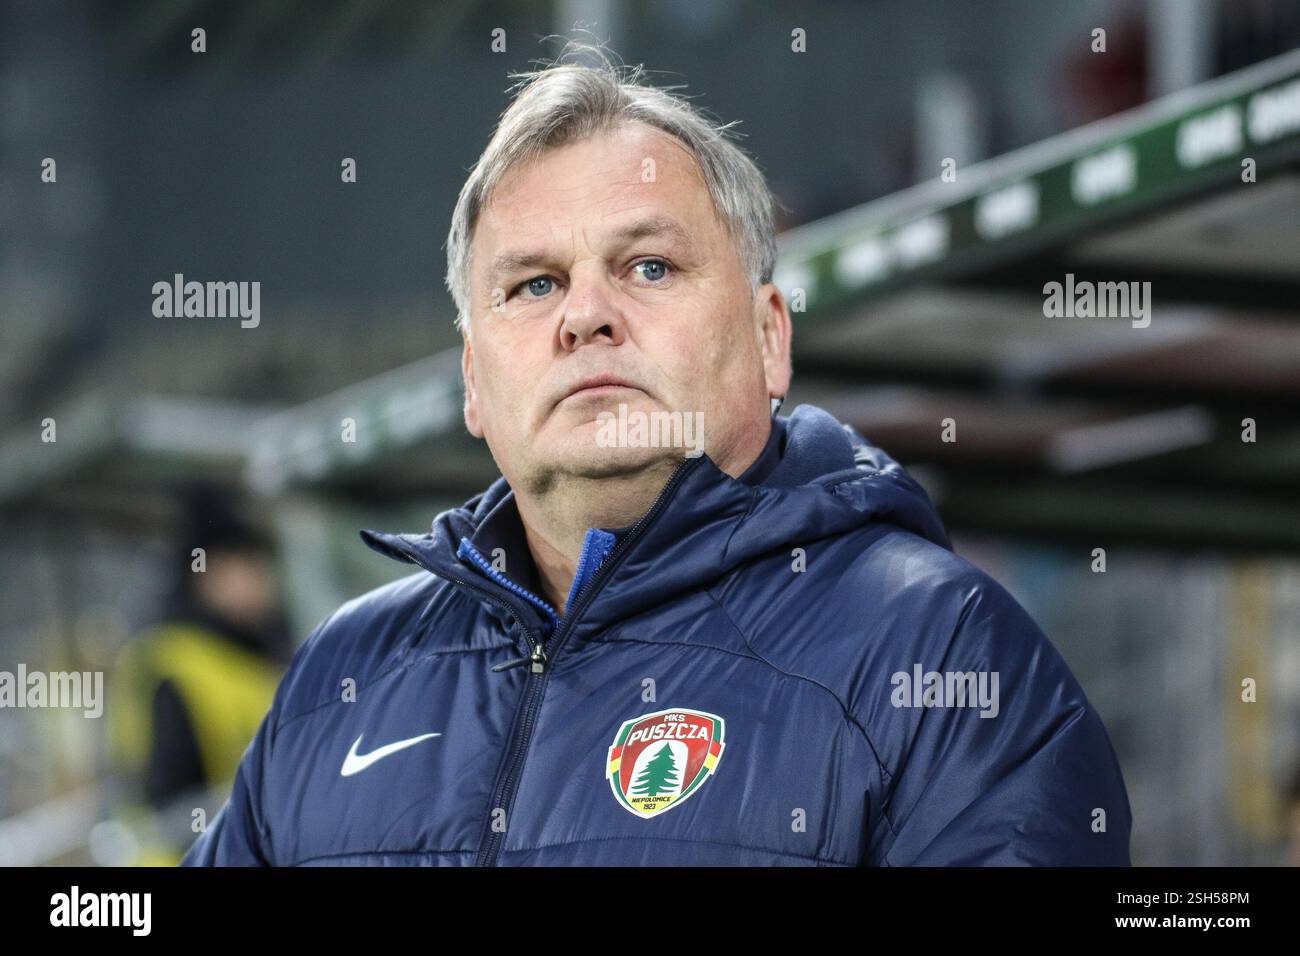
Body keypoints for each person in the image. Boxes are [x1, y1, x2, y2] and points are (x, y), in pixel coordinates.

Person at [183, 43, 1131, 867]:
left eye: (648, 268)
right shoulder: (337, 681)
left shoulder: (943, 654)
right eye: (533, 283)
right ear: (474, 380)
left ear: (769, 338)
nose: (587, 314)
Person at [110, 486, 288, 864]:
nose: (263, 580)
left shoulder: (254, 658)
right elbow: (174, 804)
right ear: (206, 574)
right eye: (247, 565)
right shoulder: (171, 661)